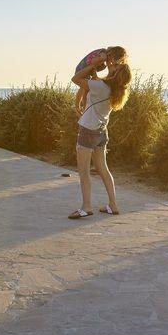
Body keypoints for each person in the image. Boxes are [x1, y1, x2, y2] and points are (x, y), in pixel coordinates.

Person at [68, 49, 132, 219]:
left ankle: (86, 207)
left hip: (88, 130)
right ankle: (113, 205)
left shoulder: (101, 87)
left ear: (116, 73)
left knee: (83, 171)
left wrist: (94, 64)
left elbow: (76, 79)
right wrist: (96, 71)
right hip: (101, 131)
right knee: (103, 169)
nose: (111, 65)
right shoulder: (115, 89)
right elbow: (95, 82)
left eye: (114, 66)